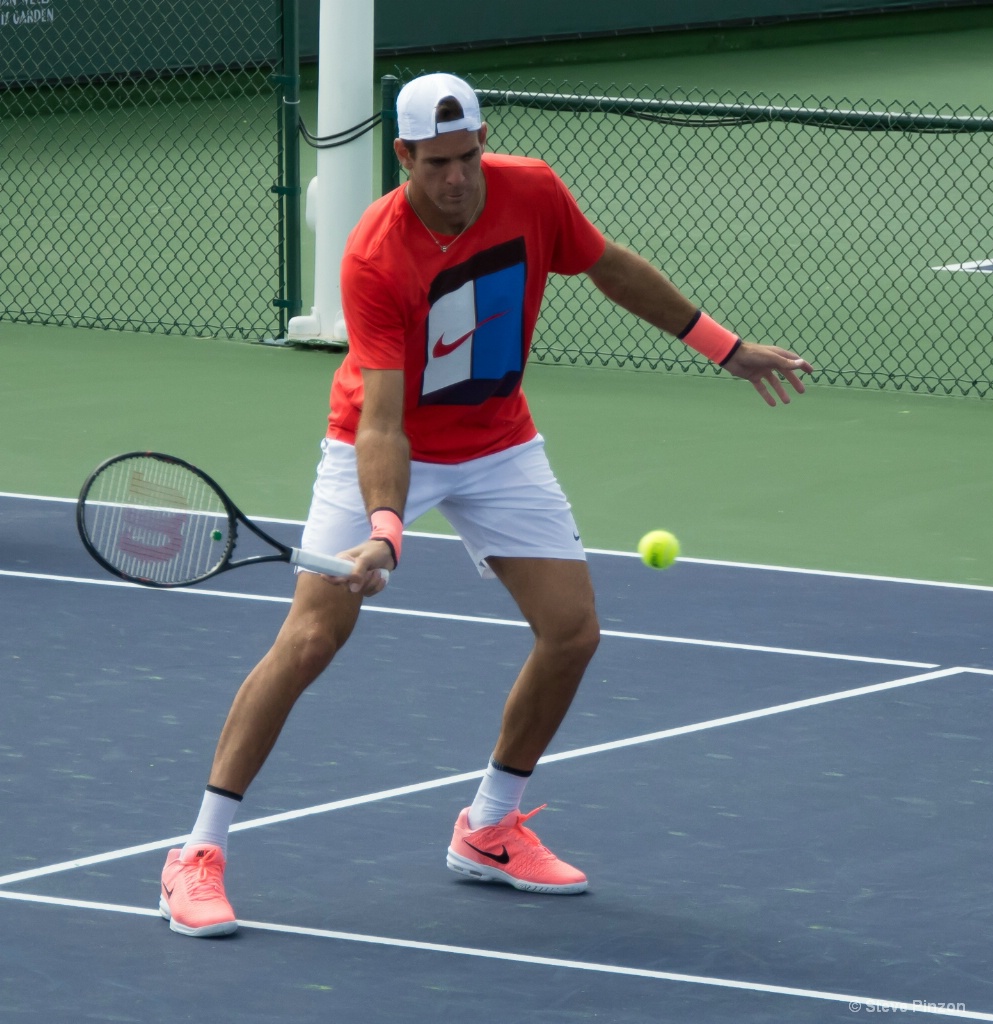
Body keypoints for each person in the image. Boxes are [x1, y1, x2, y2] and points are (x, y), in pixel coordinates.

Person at [158, 72, 813, 937]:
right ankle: (196, 854)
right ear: (402, 158)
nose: (459, 179)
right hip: (383, 447)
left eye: (468, 157)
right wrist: (387, 530)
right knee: (313, 636)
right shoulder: (372, 253)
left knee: (574, 631)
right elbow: (384, 420)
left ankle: (489, 826)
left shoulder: (531, 190)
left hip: (500, 443)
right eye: (437, 165)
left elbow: (610, 267)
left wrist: (719, 346)